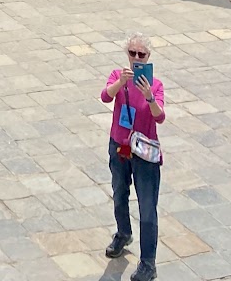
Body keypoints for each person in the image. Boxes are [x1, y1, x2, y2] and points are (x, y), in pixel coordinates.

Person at [101, 33, 166, 281]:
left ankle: (148, 263)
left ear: (149, 57)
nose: (136, 59)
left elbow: (160, 116)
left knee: (147, 207)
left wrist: (149, 96)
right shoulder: (118, 76)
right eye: (132, 53)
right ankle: (123, 232)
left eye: (142, 55)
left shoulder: (155, 85)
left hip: (144, 152)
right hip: (120, 145)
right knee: (119, 192)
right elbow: (106, 96)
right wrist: (121, 84)